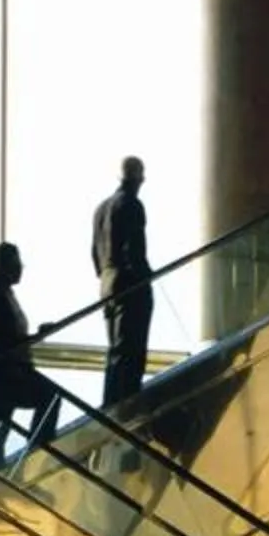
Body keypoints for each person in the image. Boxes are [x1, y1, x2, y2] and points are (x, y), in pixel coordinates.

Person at [0, 241, 63, 473]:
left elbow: (2, 339)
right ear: (3, 266)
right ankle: (36, 457)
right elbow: (2, 341)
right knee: (48, 397)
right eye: (16, 264)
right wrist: (34, 338)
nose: (20, 269)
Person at [91, 154, 152, 409]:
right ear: (140, 178)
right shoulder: (132, 205)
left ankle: (109, 404)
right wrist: (145, 277)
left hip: (107, 283)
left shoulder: (101, 208)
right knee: (131, 352)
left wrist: (105, 275)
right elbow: (135, 250)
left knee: (115, 352)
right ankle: (123, 408)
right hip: (129, 284)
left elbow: (94, 250)